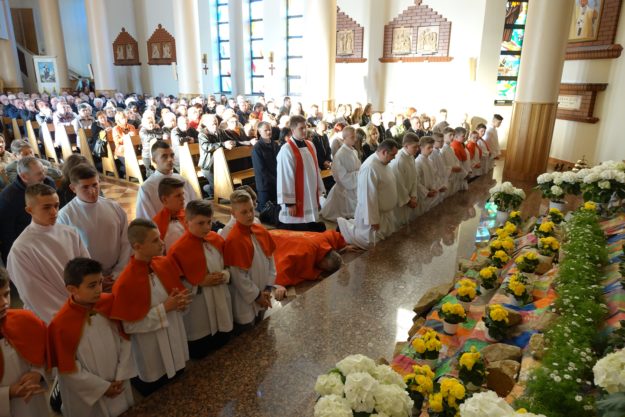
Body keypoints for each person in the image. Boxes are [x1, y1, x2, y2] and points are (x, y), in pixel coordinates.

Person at [111, 219, 191, 397]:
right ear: (137, 246)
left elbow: (176, 298)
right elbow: (129, 326)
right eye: (155, 240)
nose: (162, 243)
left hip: (175, 340)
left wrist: (181, 303)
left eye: (160, 238)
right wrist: (165, 309)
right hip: (151, 354)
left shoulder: (164, 263)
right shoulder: (124, 283)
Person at [48, 258, 136, 417]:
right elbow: (68, 369)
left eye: (100, 282)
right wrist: (102, 388)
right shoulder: (61, 324)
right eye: (92, 285)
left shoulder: (108, 302)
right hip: (88, 392)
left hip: (119, 379)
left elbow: (125, 339)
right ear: (72, 289)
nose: (98, 289)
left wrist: (122, 374)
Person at [7, 184, 90, 323]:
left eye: (56, 205)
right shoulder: (20, 250)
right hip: (49, 317)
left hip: (82, 305)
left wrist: (85, 300)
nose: (54, 212)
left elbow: (87, 269)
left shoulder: (71, 233)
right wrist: (69, 314)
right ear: (29, 210)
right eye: (46, 207)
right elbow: (34, 294)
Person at [168, 200, 233, 359]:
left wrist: (224, 275)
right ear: (186, 222)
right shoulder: (177, 250)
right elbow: (175, 284)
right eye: (200, 223)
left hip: (220, 302)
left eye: (209, 222)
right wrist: (198, 283)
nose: (207, 227)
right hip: (198, 310)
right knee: (201, 353)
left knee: (225, 348)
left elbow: (229, 266)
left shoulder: (216, 240)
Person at [57, 164, 131, 289]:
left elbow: (126, 241)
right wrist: (96, 279)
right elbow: (68, 254)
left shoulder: (113, 207)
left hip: (118, 273)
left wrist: (118, 272)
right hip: (88, 279)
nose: (92, 191)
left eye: (95, 185)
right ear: (73, 188)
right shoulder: (64, 216)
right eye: (85, 187)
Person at [223, 190, 276, 330]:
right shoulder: (233, 239)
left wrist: (268, 287)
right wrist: (257, 296)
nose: (250, 215)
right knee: (249, 332)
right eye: (244, 212)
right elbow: (239, 277)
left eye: (251, 210)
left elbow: (270, 259)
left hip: (264, 291)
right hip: (245, 300)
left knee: (263, 328)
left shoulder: (260, 230)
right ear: (233, 213)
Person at [0, 267, 49, 416]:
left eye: (6, 294)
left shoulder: (26, 321)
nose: (4, 302)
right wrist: (8, 392)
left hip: (33, 404)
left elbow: (45, 353)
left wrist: (38, 373)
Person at [337, 140, 398, 250]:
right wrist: (373, 220)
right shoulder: (370, 167)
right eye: (392, 155)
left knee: (385, 240)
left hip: (384, 214)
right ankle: (343, 228)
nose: (394, 158)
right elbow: (368, 196)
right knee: (370, 243)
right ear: (384, 152)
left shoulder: (383, 163)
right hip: (375, 214)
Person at [0, 157, 57, 264]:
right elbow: (7, 237)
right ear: (24, 177)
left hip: (50, 240)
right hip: (25, 251)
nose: (44, 176)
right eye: (39, 174)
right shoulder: (8, 199)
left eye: (43, 171)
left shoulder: (49, 183)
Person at [276, 115, 326, 232]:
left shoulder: (310, 145)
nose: (304, 131)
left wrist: (319, 191)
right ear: (292, 130)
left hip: (310, 191)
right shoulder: (286, 150)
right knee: (298, 227)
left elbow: (315, 169)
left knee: (311, 223)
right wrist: (289, 203)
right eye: (301, 128)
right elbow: (285, 177)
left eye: (305, 127)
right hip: (296, 196)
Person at [135, 141, 198, 219]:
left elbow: (194, 206)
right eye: (164, 156)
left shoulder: (182, 180)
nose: (170, 159)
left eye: (172, 155)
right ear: (154, 160)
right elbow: (146, 220)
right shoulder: (146, 188)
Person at [270, 229, 346, 287]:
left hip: (278, 233)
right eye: (325, 268)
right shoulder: (306, 253)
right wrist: (280, 286)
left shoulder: (323, 240)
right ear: (324, 261)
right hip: (270, 241)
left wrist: (344, 246)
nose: (322, 269)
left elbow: (334, 236)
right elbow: (281, 266)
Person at [320, 126, 361, 222]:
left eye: (355, 136)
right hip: (345, 189)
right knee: (343, 215)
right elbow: (341, 176)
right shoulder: (340, 154)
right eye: (352, 137)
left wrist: (359, 173)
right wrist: (358, 174)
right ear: (344, 138)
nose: (355, 139)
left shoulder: (354, 151)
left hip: (355, 186)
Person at [389, 132, 420, 227]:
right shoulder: (398, 160)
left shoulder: (411, 156)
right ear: (406, 146)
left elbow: (414, 177)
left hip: (410, 198)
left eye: (418, 146)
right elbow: (398, 184)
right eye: (415, 147)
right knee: (400, 225)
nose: (417, 149)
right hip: (401, 201)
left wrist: (413, 195)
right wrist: (408, 200)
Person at [197, 114, 229, 199]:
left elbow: (229, 139)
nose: (215, 124)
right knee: (217, 187)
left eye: (216, 122)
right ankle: (208, 189)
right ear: (206, 124)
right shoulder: (202, 134)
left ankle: (214, 193)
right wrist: (223, 144)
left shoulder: (221, 131)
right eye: (212, 123)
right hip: (208, 165)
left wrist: (231, 143)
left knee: (223, 186)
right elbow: (207, 147)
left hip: (220, 163)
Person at [152, 177, 187, 253]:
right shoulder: (157, 224)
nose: (183, 198)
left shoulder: (188, 215)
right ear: (164, 199)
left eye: (182, 194)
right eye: (178, 196)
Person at [251, 121, 280, 210]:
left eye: (270, 130)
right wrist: (275, 180)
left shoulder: (275, 144)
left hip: (276, 181)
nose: (268, 132)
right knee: (265, 210)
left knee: (277, 207)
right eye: (265, 130)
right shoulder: (257, 148)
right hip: (265, 184)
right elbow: (260, 170)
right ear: (260, 132)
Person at [414, 136, 440, 214]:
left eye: (432, 147)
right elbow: (416, 182)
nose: (431, 149)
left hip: (432, 194)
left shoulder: (430, 161)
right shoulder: (417, 162)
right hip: (423, 198)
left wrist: (434, 188)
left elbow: (435, 176)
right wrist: (427, 192)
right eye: (429, 147)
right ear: (421, 148)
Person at [440, 127, 466, 195]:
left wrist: (458, 167)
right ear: (444, 135)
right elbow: (441, 166)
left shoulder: (451, 148)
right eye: (450, 135)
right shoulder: (442, 150)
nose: (452, 137)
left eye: (453, 135)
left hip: (454, 177)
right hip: (447, 179)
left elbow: (456, 160)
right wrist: (452, 168)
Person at [112, 111, 137, 178]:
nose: (125, 119)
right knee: (129, 166)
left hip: (132, 149)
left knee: (133, 165)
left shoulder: (131, 126)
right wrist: (126, 137)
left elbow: (135, 138)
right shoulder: (116, 129)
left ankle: (128, 172)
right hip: (121, 151)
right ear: (118, 120)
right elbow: (117, 141)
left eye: (125, 117)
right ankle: (121, 170)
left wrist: (132, 136)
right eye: (122, 118)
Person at [139, 111, 163, 177]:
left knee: (158, 169)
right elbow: (146, 137)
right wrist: (155, 135)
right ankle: (149, 179)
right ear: (144, 124)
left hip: (156, 153)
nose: (151, 125)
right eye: (149, 123)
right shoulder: (143, 130)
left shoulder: (155, 129)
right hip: (147, 154)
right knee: (150, 169)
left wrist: (158, 129)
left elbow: (161, 135)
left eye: (152, 123)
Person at [430, 132, 450, 205]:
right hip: (437, 186)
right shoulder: (431, 155)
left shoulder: (439, 152)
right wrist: (439, 186)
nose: (442, 143)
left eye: (443, 141)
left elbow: (443, 169)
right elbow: (434, 173)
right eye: (440, 141)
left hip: (443, 183)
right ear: (433, 142)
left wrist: (444, 183)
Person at [449, 127, 471, 191]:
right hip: (461, 175)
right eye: (463, 136)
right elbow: (458, 163)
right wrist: (465, 174)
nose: (464, 137)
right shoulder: (455, 146)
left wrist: (468, 170)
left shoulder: (460, 144)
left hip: (465, 172)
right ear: (456, 136)